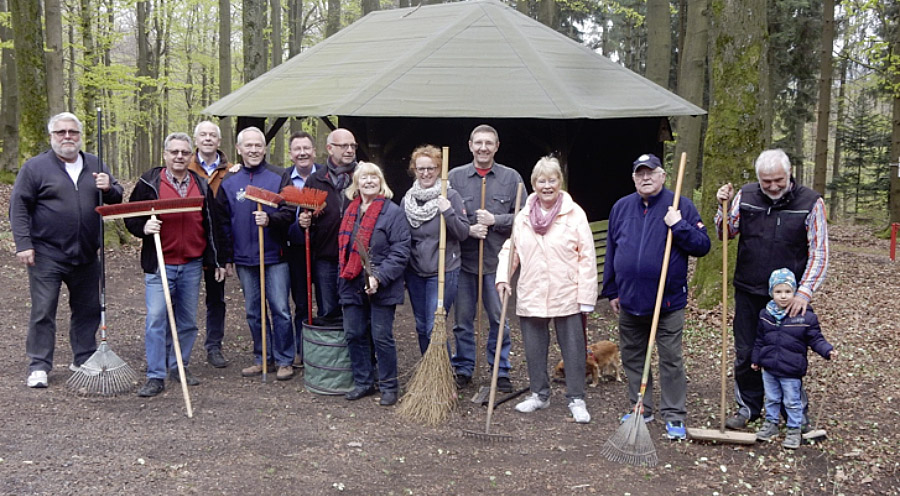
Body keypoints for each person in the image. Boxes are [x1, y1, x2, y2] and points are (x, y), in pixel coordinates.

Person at [715, 149, 829, 430]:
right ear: (759, 178)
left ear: (789, 174)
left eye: (779, 180)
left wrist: (804, 292)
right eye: (767, 181)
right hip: (748, 289)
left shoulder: (810, 202)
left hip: (789, 297)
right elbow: (725, 233)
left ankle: (794, 414)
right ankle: (748, 408)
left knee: (787, 354)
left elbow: (819, 252)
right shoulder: (746, 195)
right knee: (746, 352)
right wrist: (722, 207)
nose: (774, 186)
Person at [601, 153, 710, 440]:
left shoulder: (680, 205)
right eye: (640, 173)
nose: (645, 177)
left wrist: (678, 225)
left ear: (662, 176)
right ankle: (641, 407)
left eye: (651, 172)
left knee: (671, 358)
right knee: (633, 356)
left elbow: (702, 246)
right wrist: (611, 290)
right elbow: (612, 250)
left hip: (668, 302)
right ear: (633, 178)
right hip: (629, 300)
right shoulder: (621, 207)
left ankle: (674, 414)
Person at [10, 112, 124, 388]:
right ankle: (39, 365)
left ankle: (83, 357)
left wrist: (109, 187)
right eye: (61, 132)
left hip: (86, 253)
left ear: (80, 136)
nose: (67, 137)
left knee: (88, 309)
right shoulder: (35, 167)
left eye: (72, 132)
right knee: (43, 310)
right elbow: (19, 206)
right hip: (46, 253)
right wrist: (23, 244)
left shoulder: (95, 163)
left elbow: (116, 196)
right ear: (51, 136)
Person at [496, 157, 598, 424]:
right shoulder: (523, 216)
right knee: (534, 347)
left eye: (552, 180)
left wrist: (587, 296)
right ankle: (539, 394)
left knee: (573, 348)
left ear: (559, 182)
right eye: (541, 181)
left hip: (567, 291)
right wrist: (503, 278)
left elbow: (587, 256)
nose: (547, 185)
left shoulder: (574, 214)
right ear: (534, 184)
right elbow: (511, 249)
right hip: (532, 290)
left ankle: (576, 398)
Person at [125, 132, 225, 397]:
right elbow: (130, 218)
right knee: (156, 318)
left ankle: (179, 365)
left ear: (191, 156)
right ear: (165, 155)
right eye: (174, 152)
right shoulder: (149, 183)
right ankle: (155, 374)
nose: (179, 156)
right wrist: (144, 227)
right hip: (161, 263)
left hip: (191, 263)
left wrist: (216, 260)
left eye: (184, 152)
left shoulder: (200, 184)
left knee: (187, 321)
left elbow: (211, 225)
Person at [448, 124, 525, 392]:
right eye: (478, 143)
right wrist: (468, 228)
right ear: (470, 146)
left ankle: (500, 370)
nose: (483, 148)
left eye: (488, 143)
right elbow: (446, 216)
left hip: (497, 263)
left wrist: (496, 220)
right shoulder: (455, 177)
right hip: (463, 262)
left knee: (499, 319)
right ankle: (463, 367)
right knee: (462, 321)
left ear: (496, 146)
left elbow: (525, 217)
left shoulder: (511, 178)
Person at [217, 127, 295, 381]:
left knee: (280, 309)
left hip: (275, 256)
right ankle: (263, 358)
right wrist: (227, 258)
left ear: (265, 148)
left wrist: (270, 220)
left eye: (258, 145)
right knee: (254, 311)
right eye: (248, 146)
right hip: (244, 257)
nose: (253, 150)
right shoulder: (229, 182)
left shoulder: (280, 176)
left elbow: (290, 212)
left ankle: (284, 359)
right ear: (239, 149)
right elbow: (223, 223)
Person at [337, 162, 410, 406]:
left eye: (374, 177)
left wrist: (378, 277)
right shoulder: (350, 211)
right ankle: (363, 382)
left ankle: (389, 386)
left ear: (381, 182)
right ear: (356, 184)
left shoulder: (393, 212)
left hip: (383, 284)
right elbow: (344, 249)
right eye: (364, 178)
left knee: (381, 336)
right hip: (351, 281)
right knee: (354, 333)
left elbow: (401, 251)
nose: (369, 181)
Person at [751, 268, 834, 449]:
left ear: (794, 292)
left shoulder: (804, 317)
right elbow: (760, 339)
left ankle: (794, 429)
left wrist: (827, 350)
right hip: (769, 368)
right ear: (771, 292)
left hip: (791, 369)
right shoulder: (766, 314)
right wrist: (756, 359)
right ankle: (771, 424)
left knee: (792, 401)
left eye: (788, 291)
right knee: (771, 398)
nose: (783, 296)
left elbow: (816, 338)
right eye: (778, 291)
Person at [402, 145, 469, 354]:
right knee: (422, 326)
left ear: (439, 169)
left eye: (430, 168)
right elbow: (401, 237)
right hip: (415, 272)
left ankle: (443, 369)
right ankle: (428, 368)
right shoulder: (408, 200)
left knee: (434, 326)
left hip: (443, 271)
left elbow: (463, 232)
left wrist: (448, 211)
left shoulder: (450, 196)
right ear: (414, 170)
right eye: (420, 168)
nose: (426, 173)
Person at [298, 128, 359, 322]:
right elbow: (305, 216)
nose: (350, 150)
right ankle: (330, 342)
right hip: (326, 257)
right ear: (330, 148)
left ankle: (357, 342)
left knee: (356, 309)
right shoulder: (316, 180)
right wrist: (303, 222)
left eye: (353, 146)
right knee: (328, 310)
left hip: (356, 255)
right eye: (344, 146)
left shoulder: (363, 177)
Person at [187, 120, 233, 368]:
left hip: (218, 242)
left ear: (219, 141)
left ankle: (214, 346)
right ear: (196, 140)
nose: (207, 139)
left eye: (212, 135)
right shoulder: (185, 167)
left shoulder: (232, 172)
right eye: (203, 135)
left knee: (216, 298)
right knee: (184, 297)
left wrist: (226, 255)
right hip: (191, 240)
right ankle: (178, 348)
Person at [284, 131, 322, 367]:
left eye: (306, 148)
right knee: (301, 302)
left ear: (314, 151)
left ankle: (325, 348)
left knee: (327, 302)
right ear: (290, 154)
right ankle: (302, 348)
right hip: (296, 249)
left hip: (324, 250)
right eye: (297, 149)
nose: (302, 153)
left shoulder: (325, 176)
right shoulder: (284, 178)